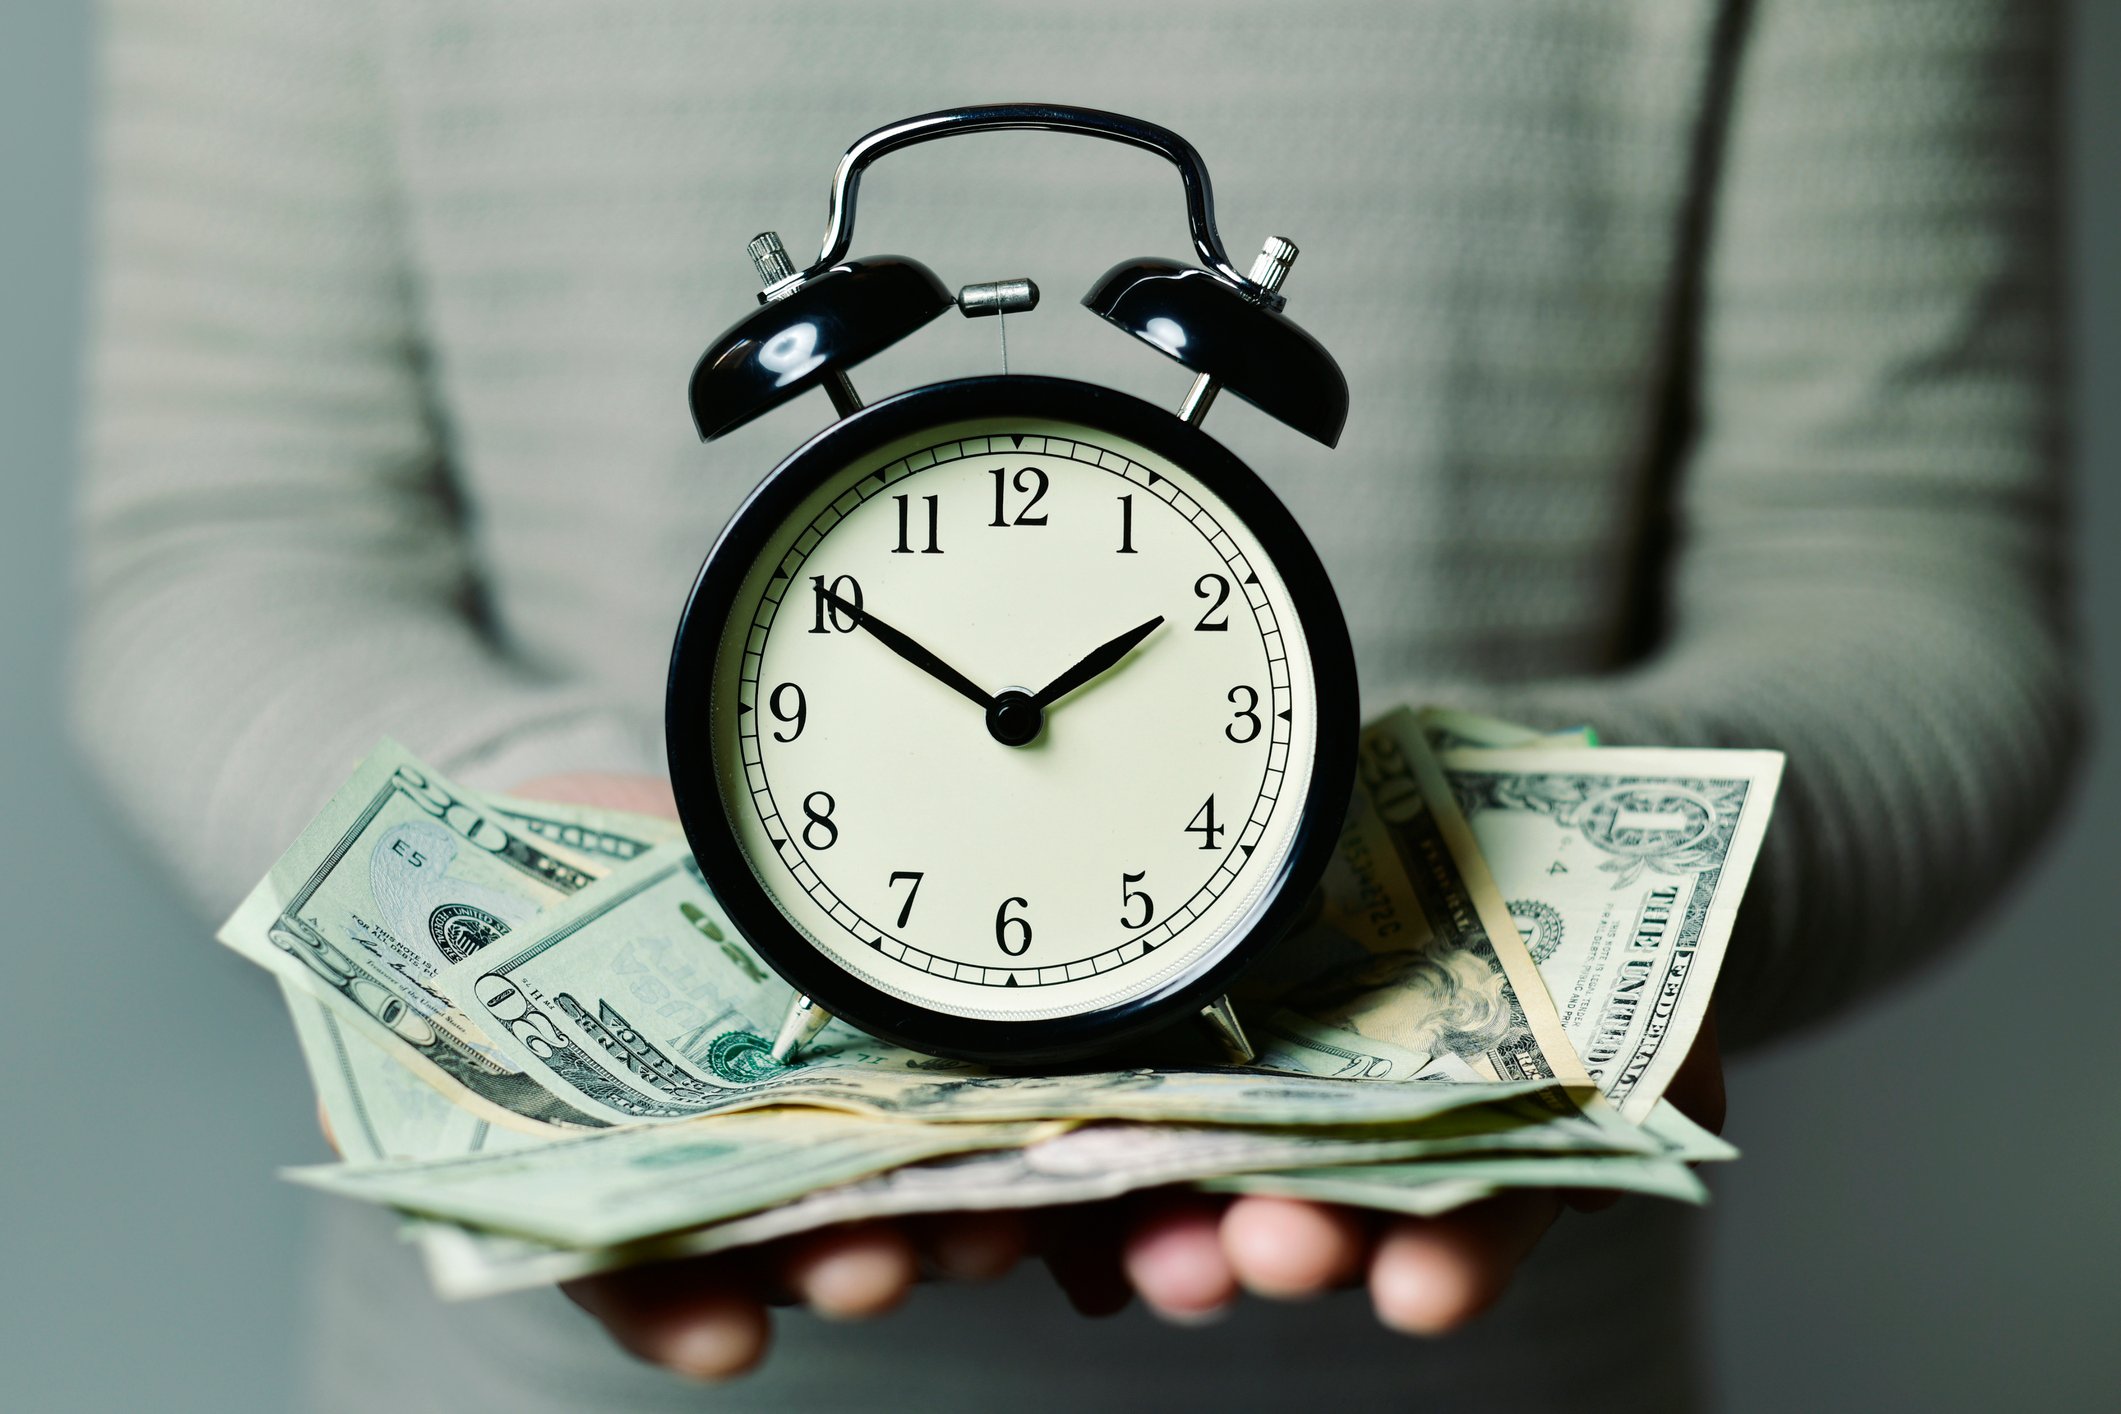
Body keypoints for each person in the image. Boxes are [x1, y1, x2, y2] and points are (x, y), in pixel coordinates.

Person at [73, 1, 2079, 1409]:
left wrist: (1507, 858)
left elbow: (1903, 571)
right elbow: (225, 536)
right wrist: (577, 843)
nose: (1011, 704)